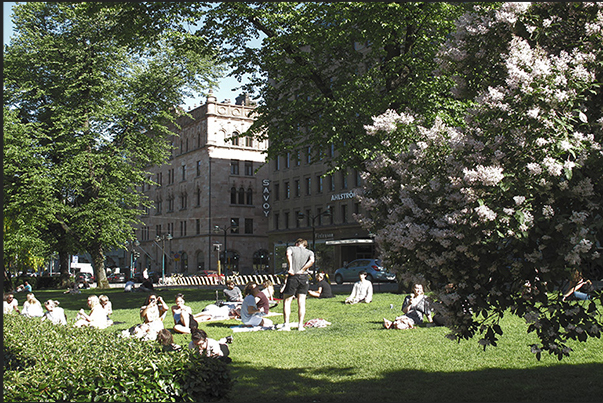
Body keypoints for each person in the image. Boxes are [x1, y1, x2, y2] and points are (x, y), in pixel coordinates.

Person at [280, 238, 315, 331]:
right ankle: (300, 325)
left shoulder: (291, 248)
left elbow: (288, 255)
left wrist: (291, 268)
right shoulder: (310, 252)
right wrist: (303, 269)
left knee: (287, 301)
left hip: (293, 276)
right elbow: (312, 261)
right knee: (302, 302)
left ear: (297, 244)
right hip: (304, 277)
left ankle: (286, 324)